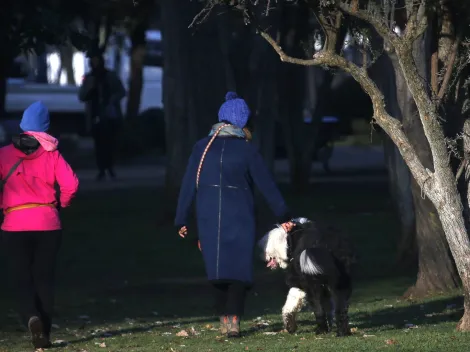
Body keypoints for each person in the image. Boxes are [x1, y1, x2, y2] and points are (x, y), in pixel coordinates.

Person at [175, 92, 293, 338]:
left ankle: (224, 319)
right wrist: (284, 214)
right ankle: (235, 321)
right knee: (238, 270)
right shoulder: (247, 150)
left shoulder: (201, 148)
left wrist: (182, 218)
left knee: (216, 270)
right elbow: (267, 185)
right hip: (240, 217)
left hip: (208, 217)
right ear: (243, 122)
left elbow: (188, 185)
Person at [0, 101, 79, 349]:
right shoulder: (52, 153)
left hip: (14, 224)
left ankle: (31, 318)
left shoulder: (3, 154)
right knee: (44, 279)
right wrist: (62, 205)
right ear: (46, 126)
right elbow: (71, 185)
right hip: (48, 223)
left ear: (23, 124)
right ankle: (44, 334)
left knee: (20, 278)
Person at [78, 45, 126, 181]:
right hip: (95, 114)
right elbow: (82, 96)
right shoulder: (89, 78)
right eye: (93, 61)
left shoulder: (110, 76)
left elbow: (121, 91)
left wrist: (112, 99)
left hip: (109, 114)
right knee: (99, 144)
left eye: (97, 60)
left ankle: (109, 167)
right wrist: (90, 88)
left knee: (110, 143)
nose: (95, 64)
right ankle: (101, 169)